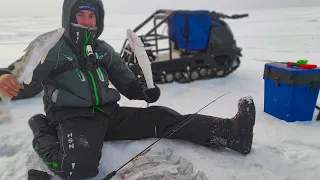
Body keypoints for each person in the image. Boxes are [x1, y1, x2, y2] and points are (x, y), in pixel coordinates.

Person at [0, 0, 256, 179]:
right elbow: (20, 74)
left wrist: (143, 91)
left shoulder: (103, 49)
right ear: (69, 17)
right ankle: (41, 127)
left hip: (109, 114)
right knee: (77, 169)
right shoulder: (53, 48)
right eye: (81, 15)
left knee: (162, 117)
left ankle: (232, 133)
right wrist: (4, 77)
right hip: (72, 118)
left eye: (92, 16)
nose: (87, 21)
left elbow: (125, 79)